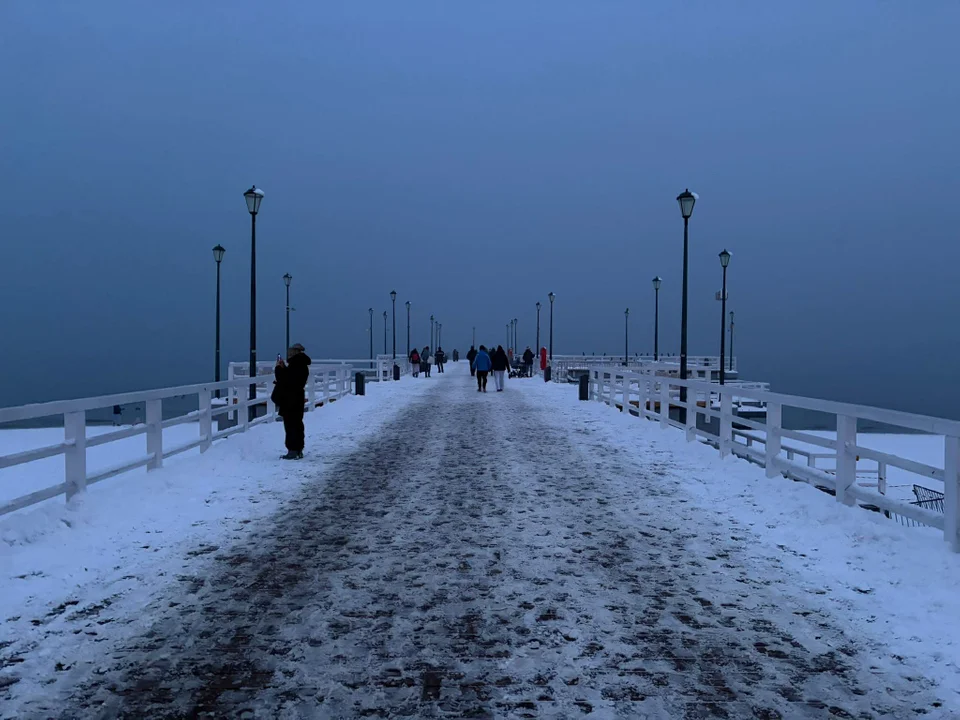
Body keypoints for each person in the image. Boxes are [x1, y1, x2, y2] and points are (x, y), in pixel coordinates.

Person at [272, 343, 312, 459]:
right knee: (297, 423)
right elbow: (292, 378)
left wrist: (279, 368)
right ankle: (298, 449)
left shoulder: (296, 364)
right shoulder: (301, 364)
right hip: (297, 397)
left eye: (290, 352)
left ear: (294, 352)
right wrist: (285, 368)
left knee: (290, 424)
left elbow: (286, 380)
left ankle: (292, 450)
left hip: (290, 398)